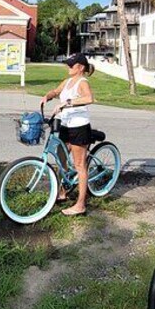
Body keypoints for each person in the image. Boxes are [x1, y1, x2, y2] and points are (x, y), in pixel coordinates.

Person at [40, 53, 95, 217]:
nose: (68, 67)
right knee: (61, 159)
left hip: (79, 127)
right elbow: (56, 91)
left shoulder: (82, 82)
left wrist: (67, 103)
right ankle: (62, 192)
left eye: (71, 65)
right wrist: (47, 96)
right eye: (68, 64)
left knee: (80, 165)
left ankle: (80, 204)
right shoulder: (68, 81)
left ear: (81, 67)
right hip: (65, 125)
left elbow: (89, 98)